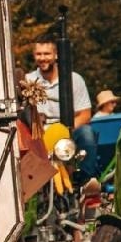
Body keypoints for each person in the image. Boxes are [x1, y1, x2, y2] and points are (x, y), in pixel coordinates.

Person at [27, 34, 97, 181]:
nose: (42, 58)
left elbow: (85, 114)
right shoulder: (28, 81)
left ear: (56, 55)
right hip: (40, 132)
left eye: (47, 54)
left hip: (68, 129)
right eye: (38, 54)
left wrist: (65, 130)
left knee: (87, 133)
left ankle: (85, 178)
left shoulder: (74, 79)